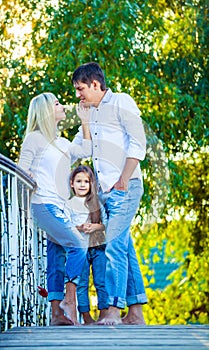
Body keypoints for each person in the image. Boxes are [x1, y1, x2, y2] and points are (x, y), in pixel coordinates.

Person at [72, 62, 147, 325]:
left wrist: (124, 179)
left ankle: (114, 309)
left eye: (81, 89)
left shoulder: (122, 102)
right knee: (124, 248)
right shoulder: (91, 113)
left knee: (114, 247)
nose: (78, 95)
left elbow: (139, 142)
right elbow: (83, 149)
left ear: (95, 84)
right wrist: (83, 122)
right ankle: (136, 312)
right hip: (106, 192)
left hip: (125, 186)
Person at [18, 92, 91, 325]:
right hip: (43, 205)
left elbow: (86, 151)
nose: (62, 106)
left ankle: (56, 314)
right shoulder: (34, 138)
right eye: (57, 103)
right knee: (78, 245)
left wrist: (85, 121)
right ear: (46, 111)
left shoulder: (62, 143)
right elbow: (21, 170)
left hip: (60, 208)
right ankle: (69, 300)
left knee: (57, 256)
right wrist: (28, 175)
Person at [65, 165, 108, 324]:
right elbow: (66, 225)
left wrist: (95, 226)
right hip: (79, 249)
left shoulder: (96, 203)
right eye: (78, 181)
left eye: (86, 181)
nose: (82, 185)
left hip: (97, 247)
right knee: (82, 283)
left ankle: (104, 313)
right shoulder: (68, 204)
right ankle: (86, 316)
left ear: (91, 184)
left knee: (101, 281)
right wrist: (80, 228)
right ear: (72, 183)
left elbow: (106, 223)